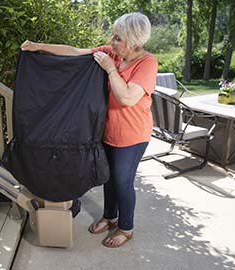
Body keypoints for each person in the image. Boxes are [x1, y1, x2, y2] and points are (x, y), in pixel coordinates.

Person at [21, 12, 158, 248]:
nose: (112, 41)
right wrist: (37, 46)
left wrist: (110, 69)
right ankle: (110, 216)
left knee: (122, 181)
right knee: (108, 177)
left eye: (118, 38)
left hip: (133, 135)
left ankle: (126, 228)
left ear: (133, 42)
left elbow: (126, 97)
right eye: (113, 36)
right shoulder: (112, 52)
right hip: (108, 131)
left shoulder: (147, 63)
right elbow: (74, 51)